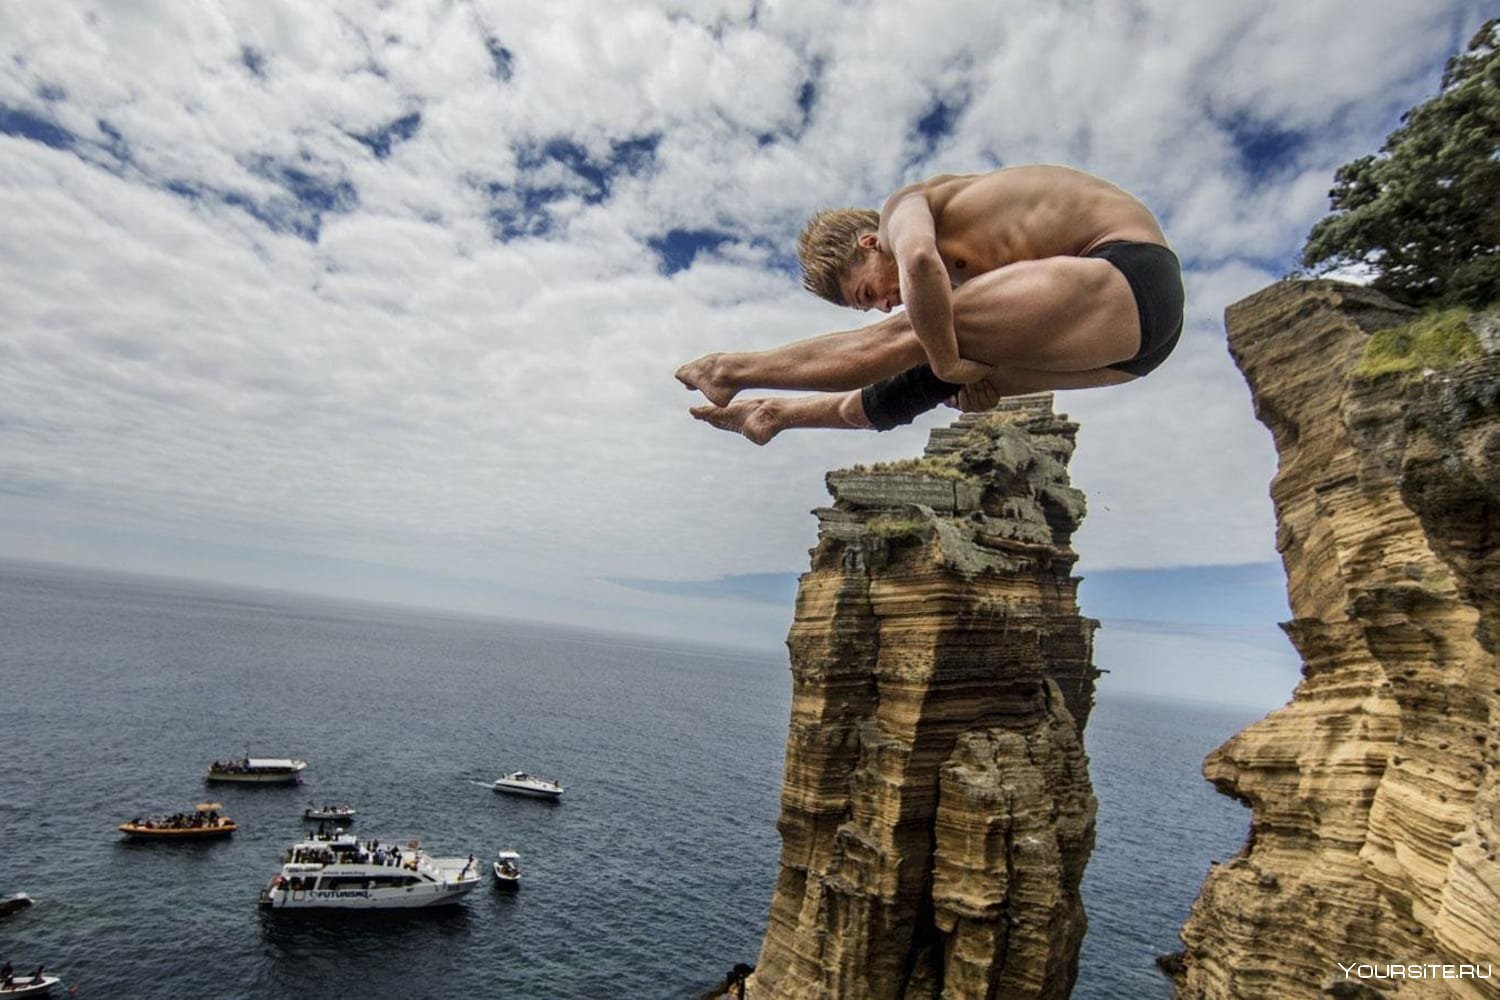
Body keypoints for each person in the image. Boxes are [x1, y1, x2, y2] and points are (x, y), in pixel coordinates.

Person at [676, 165, 1183, 444]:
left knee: (917, 337)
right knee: (920, 388)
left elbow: (918, 260)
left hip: (1130, 269)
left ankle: (730, 369)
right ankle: (776, 414)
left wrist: (942, 357)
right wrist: (958, 381)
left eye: (868, 293)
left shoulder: (905, 207)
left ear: (870, 243)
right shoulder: (979, 286)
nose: (881, 305)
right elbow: (953, 365)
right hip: (1133, 356)